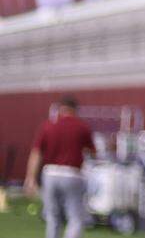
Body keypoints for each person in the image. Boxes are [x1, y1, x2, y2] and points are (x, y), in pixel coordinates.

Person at [25, 95, 95, 238]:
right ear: (75, 110)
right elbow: (92, 152)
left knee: (52, 218)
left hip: (50, 173)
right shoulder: (82, 126)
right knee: (75, 218)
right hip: (72, 174)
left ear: (60, 108)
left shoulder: (49, 125)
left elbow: (36, 153)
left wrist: (30, 178)